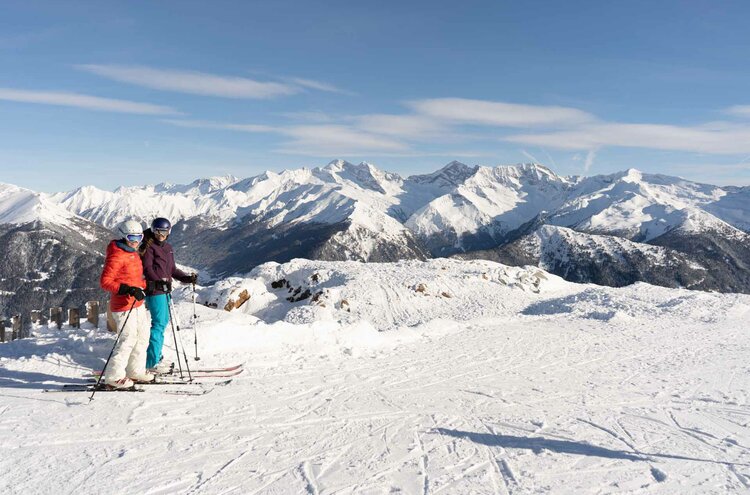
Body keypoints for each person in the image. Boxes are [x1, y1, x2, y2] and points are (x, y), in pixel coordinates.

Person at [99, 219, 154, 388]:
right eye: (132, 237)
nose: (136, 241)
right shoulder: (117, 254)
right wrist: (128, 290)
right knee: (127, 340)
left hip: (137, 304)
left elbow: (135, 280)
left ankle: (135, 370)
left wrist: (149, 285)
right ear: (123, 236)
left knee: (143, 338)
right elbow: (105, 281)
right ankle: (114, 377)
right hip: (123, 306)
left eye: (139, 237)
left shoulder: (132, 253)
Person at [140, 217, 197, 372]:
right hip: (155, 291)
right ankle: (151, 363)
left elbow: (172, 269)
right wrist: (159, 281)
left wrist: (186, 278)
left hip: (165, 290)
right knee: (158, 325)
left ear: (169, 232)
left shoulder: (168, 247)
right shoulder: (148, 247)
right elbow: (147, 269)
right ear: (152, 230)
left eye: (164, 231)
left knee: (163, 323)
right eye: (158, 230)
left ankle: (157, 356)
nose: (161, 234)